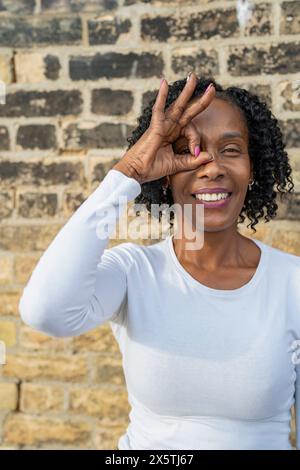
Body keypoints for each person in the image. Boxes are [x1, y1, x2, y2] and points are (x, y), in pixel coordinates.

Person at [19, 72, 299, 450]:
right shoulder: (134, 271)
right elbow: (45, 311)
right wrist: (128, 173)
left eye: (231, 150)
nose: (212, 166)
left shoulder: (291, 282)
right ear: (165, 174)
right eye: (190, 150)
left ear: (253, 169)